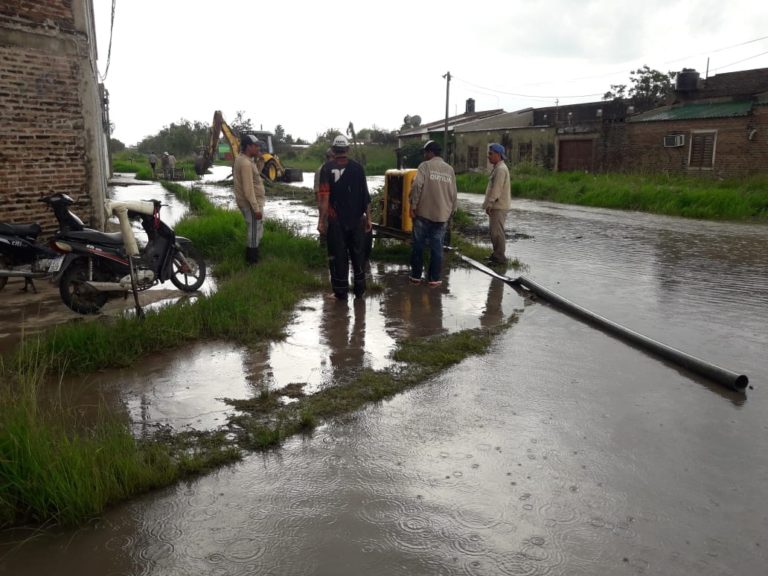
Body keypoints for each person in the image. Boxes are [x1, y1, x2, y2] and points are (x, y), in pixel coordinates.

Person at [317, 134, 372, 300]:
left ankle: (340, 292)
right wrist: (368, 218)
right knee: (358, 254)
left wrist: (321, 220)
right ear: (348, 149)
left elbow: (324, 197)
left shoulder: (326, 169)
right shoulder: (358, 168)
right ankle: (359, 291)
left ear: (333, 150)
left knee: (338, 255)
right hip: (357, 219)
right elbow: (365, 196)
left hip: (336, 221)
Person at [408, 140, 457, 287]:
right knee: (437, 247)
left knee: (418, 245)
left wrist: (413, 205)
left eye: (425, 152)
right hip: (442, 215)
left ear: (430, 153)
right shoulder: (449, 169)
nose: (424, 155)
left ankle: (416, 277)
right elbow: (454, 193)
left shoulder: (425, 166)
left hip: (424, 213)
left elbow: (417, 185)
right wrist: (452, 212)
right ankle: (434, 279)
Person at [233, 134, 266, 264]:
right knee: (253, 232)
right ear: (248, 147)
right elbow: (248, 189)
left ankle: (253, 257)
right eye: (255, 146)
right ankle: (252, 261)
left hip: (252, 202)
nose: (258, 148)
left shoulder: (245, 160)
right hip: (251, 204)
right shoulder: (245, 163)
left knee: (256, 230)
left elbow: (255, 176)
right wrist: (256, 208)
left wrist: (260, 161)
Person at [483, 143, 512, 264]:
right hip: (497, 205)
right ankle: (496, 255)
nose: (488, 156)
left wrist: (489, 203)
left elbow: (497, 189)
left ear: (498, 155)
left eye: (491, 154)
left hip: (498, 206)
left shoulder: (500, 169)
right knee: (494, 231)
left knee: (497, 232)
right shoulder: (498, 168)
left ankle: (500, 257)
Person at [314, 148, 335, 245]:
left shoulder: (335, 168)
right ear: (328, 157)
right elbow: (317, 190)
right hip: (325, 204)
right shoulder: (322, 170)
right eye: (333, 157)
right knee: (325, 227)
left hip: (335, 205)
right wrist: (320, 207)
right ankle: (324, 247)